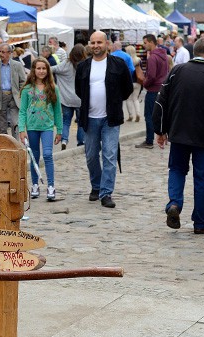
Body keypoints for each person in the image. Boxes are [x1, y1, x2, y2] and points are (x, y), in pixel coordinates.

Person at [153, 36, 204, 235]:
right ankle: (201, 222)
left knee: (177, 170)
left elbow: (161, 102)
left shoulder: (177, 71)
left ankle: (174, 203)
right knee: (202, 179)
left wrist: (160, 130)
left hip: (179, 133)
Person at [74, 30, 133, 208]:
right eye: (93, 43)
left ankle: (106, 193)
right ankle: (96, 185)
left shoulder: (118, 64)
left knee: (109, 155)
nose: (96, 46)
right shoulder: (84, 66)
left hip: (111, 118)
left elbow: (127, 88)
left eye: (99, 42)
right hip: (90, 117)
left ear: (106, 44)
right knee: (91, 155)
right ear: (89, 45)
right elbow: (79, 90)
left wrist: (114, 101)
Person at [18, 57, 62, 201]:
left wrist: (60, 130)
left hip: (47, 127)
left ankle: (51, 186)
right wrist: (21, 129)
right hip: (32, 127)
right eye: (39, 68)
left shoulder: (53, 88)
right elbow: (23, 110)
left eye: (44, 68)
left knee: (48, 154)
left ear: (48, 70)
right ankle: (35, 184)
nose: (41, 71)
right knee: (34, 156)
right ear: (34, 70)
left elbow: (57, 110)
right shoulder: (27, 89)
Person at [0, 44, 27, 137]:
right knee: (2, 125)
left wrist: (21, 94)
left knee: (14, 122)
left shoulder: (17, 65)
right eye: (0, 51)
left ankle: (15, 143)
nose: (1, 54)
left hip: (14, 96)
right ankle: (5, 143)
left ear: (9, 53)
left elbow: (23, 82)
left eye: (3, 52)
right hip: (0, 97)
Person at [137, 33, 169, 149]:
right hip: (162, 89)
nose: (144, 45)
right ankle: (163, 136)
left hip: (153, 90)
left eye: (145, 43)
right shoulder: (164, 55)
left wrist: (145, 84)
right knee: (161, 114)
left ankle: (149, 140)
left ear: (151, 42)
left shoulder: (153, 58)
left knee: (149, 115)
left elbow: (151, 76)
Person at [52, 43, 85, 149]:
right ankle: (81, 142)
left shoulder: (66, 64)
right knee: (81, 122)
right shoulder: (85, 65)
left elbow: (52, 69)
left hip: (66, 99)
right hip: (80, 99)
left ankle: (64, 140)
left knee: (66, 121)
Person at [124, 45, 142, 122]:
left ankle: (130, 115)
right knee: (135, 98)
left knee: (128, 99)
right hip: (138, 81)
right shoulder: (139, 60)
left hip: (129, 82)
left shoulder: (126, 60)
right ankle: (138, 113)